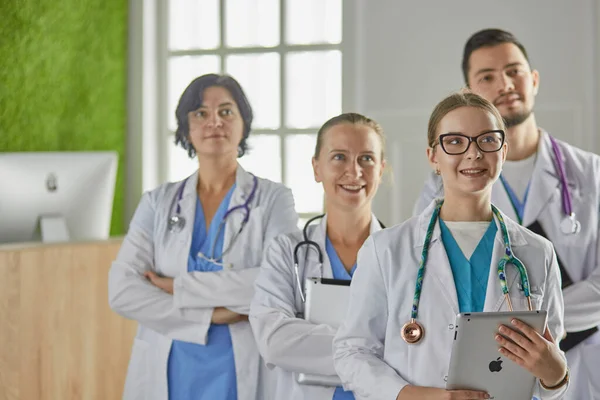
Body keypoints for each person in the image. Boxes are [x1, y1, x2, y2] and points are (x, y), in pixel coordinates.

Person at [333, 92, 569, 400]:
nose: (473, 154)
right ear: (433, 156)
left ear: (503, 150)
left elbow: (546, 375)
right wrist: (425, 397)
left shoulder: (537, 252)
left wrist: (556, 376)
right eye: (455, 142)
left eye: (487, 140)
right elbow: (352, 353)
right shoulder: (387, 249)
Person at [413, 29, 600, 399]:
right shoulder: (441, 185)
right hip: (491, 370)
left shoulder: (591, 174)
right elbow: (429, 276)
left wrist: (537, 324)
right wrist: (522, 327)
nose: (505, 83)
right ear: (468, 90)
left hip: (585, 366)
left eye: (514, 71)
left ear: (533, 79)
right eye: (487, 76)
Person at [108, 73, 298, 400]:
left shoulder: (273, 199)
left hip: (241, 362)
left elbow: (277, 282)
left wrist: (178, 287)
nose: (214, 122)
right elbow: (122, 291)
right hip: (170, 365)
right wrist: (213, 315)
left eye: (226, 111)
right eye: (200, 113)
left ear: (243, 124)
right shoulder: (157, 202)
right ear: (187, 128)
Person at [249, 113, 387, 399]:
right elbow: (274, 341)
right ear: (316, 168)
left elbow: (417, 346)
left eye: (367, 158)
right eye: (339, 157)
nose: (354, 171)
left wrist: (310, 345)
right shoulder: (286, 252)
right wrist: (374, 349)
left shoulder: (402, 253)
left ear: (381, 169)